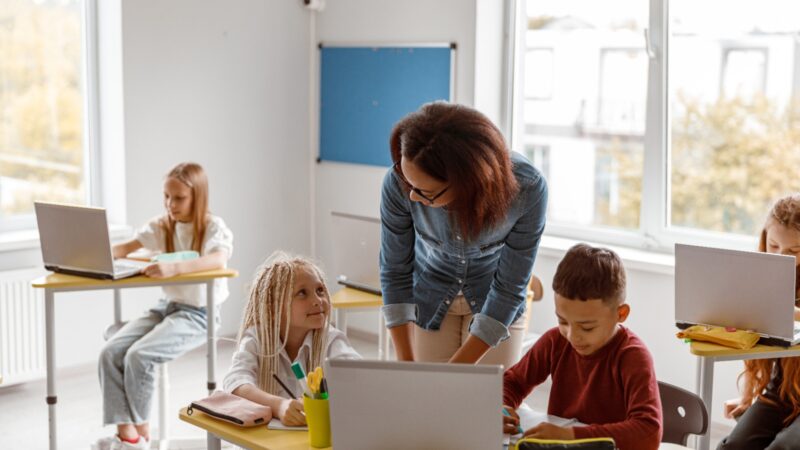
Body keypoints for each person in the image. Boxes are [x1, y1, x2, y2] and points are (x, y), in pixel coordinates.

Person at [380, 102, 548, 366]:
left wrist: (456, 373)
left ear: (469, 183)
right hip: (430, 295)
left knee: (487, 398)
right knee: (433, 399)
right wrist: (406, 365)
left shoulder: (527, 190)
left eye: (425, 192)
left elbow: (509, 289)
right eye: (407, 182)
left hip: (494, 300)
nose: (412, 195)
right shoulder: (399, 182)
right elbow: (394, 272)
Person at [94, 162, 234, 450]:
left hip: (200, 314)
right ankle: (129, 436)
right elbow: (123, 248)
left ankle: (141, 432)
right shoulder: (163, 226)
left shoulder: (212, 227)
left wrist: (175, 269)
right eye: (166, 197)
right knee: (110, 352)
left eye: (179, 197)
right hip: (167, 307)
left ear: (198, 197)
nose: (171, 204)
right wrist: (89, 253)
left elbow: (218, 259)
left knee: (139, 356)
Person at [502, 244, 662, 450]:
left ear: (620, 314)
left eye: (587, 327)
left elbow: (648, 432)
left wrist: (570, 435)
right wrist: (504, 407)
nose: (572, 336)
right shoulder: (555, 341)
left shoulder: (633, 356)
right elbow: (513, 382)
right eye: (563, 321)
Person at [223, 252, 360, 426]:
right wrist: (278, 406)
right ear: (273, 308)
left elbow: (358, 376)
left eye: (320, 290)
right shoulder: (257, 338)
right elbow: (235, 383)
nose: (318, 300)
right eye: (302, 293)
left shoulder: (331, 339)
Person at [717, 194, 800, 450]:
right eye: (774, 246)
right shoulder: (761, 274)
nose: (781, 256)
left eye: (793, 251)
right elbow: (758, 351)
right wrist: (747, 397)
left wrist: (790, 312)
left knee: (781, 448)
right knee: (732, 446)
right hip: (782, 392)